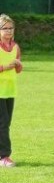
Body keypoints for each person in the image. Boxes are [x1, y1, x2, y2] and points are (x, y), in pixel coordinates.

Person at [0, 15, 23, 168]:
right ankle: (4, 156)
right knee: (2, 123)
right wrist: (5, 67)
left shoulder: (15, 46)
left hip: (10, 90)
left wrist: (17, 65)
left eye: (10, 28)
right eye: (5, 28)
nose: (8, 31)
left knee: (6, 123)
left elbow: (18, 69)